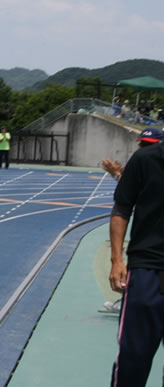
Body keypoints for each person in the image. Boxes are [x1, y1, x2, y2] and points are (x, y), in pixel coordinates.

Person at [108, 136, 164, 386]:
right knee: (134, 357)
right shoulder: (145, 159)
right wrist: (116, 260)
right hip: (147, 269)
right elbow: (122, 208)